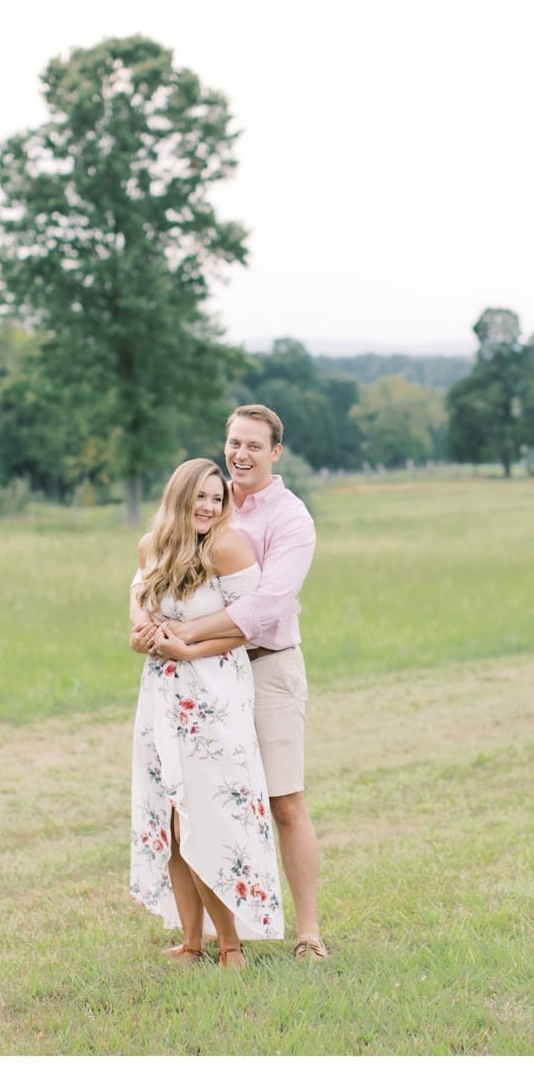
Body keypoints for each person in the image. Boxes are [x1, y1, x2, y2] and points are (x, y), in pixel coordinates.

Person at [132, 405, 327, 961]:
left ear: (275, 453)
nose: (240, 454)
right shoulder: (207, 498)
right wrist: (151, 631)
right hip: (197, 677)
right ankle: (211, 936)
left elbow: (268, 605)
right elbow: (151, 576)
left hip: (267, 665)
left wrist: (186, 635)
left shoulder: (289, 519)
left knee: (283, 801)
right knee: (195, 800)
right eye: (234, 442)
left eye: (253, 446)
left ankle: (308, 934)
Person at [127, 458, 284, 970]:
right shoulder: (153, 546)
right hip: (162, 696)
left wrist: (190, 650)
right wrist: (141, 634)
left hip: (214, 695)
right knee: (171, 815)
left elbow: (251, 625)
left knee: (209, 812)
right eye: (202, 497)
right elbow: (140, 605)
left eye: (218, 499)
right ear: (180, 497)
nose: (210, 507)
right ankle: (192, 942)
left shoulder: (227, 546)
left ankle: (231, 943)